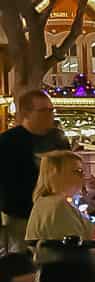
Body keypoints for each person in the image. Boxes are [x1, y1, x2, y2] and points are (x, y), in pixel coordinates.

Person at [0, 89, 71, 252]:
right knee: (26, 257)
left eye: (51, 110)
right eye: (43, 111)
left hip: (55, 213)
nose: (50, 115)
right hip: (22, 214)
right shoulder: (8, 142)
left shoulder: (57, 138)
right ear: (27, 112)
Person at [24, 150, 95, 249]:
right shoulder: (59, 206)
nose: (83, 176)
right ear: (55, 173)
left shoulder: (46, 201)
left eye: (83, 172)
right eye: (78, 171)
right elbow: (75, 249)